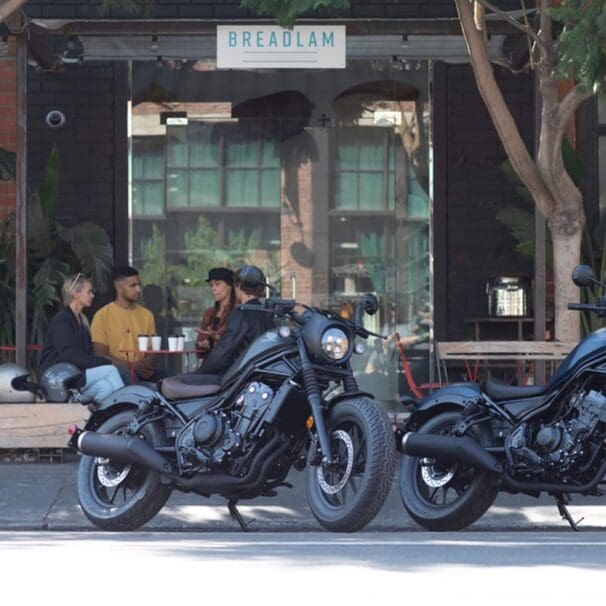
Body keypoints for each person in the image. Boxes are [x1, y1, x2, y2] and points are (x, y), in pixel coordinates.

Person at [161, 265, 275, 396]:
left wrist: (198, 373)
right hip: (253, 379)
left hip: (234, 379)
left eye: (217, 284)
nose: (213, 289)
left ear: (237, 286)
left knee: (173, 382)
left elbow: (222, 354)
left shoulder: (241, 314)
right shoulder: (267, 315)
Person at [39, 273, 124, 402]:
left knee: (105, 387)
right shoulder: (62, 320)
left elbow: (86, 354)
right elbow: (69, 355)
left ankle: (100, 420)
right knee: (110, 370)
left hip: (75, 375)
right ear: (75, 294)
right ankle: (126, 410)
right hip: (59, 379)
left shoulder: (82, 321)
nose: (92, 295)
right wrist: (105, 362)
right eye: (89, 291)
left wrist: (100, 362)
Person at [91, 265, 165, 383]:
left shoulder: (147, 315)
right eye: (133, 285)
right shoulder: (102, 316)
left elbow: (152, 349)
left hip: (143, 369)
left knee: (169, 378)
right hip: (117, 371)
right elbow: (100, 355)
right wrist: (132, 366)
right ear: (119, 287)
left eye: (139, 284)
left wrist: (146, 364)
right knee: (130, 377)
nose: (139, 289)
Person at [194, 267, 235, 360]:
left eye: (217, 284)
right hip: (210, 364)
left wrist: (217, 337)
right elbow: (199, 349)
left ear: (229, 286)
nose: (213, 289)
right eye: (211, 285)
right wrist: (203, 346)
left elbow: (236, 345)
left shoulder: (236, 313)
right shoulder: (209, 313)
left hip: (229, 368)